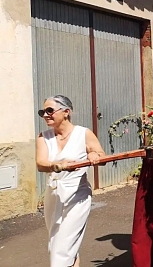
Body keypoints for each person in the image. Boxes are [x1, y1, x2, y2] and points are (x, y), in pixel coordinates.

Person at [35, 95, 106, 267]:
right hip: (53, 196)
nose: (45, 115)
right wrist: (57, 165)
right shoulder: (43, 137)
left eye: (50, 110)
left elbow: (101, 156)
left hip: (77, 197)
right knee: (56, 243)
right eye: (43, 112)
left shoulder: (83, 133)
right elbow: (40, 164)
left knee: (62, 249)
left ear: (66, 112)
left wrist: (93, 155)